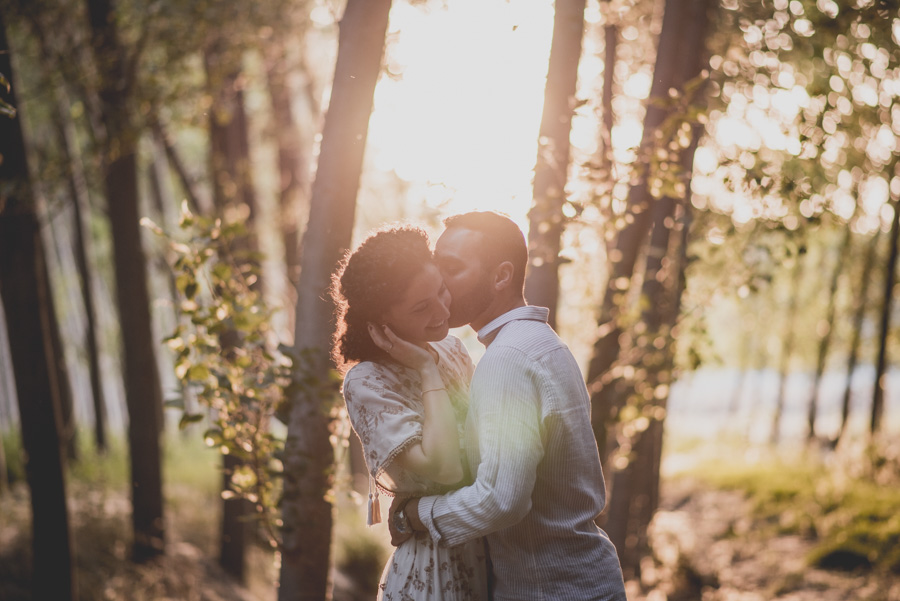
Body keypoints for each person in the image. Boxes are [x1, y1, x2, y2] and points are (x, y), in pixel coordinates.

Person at [388, 211, 627, 601]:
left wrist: (412, 515)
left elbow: (500, 500)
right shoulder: (539, 343)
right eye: (435, 266)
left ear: (501, 276)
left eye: (452, 268)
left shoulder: (508, 360)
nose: (436, 282)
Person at [331, 225, 489, 601]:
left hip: (486, 554)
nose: (443, 310)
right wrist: (426, 369)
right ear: (381, 323)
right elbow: (446, 466)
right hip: (433, 570)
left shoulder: (453, 349)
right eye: (422, 307)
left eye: (440, 290)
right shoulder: (366, 382)